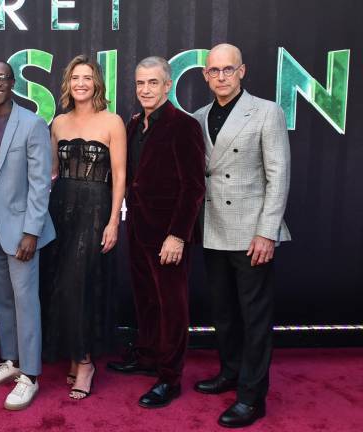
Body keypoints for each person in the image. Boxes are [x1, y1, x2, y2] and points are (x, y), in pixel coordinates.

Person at [192, 43, 291, 428]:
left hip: (251, 232)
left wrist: (267, 232)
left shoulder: (266, 111)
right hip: (213, 228)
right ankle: (230, 372)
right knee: (224, 313)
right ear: (205, 75)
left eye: (228, 69)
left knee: (254, 318)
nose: (221, 77)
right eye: (214, 71)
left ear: (242, 71)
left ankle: (252, 397)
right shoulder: (199, 117)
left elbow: (278, 176)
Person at [107, 56, 205, 409]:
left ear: (167, 85)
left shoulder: (184, 126)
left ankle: (170, 377)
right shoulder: (134, 124)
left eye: (153, 82)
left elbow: (193, 187)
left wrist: (178, 235)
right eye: (140, 83)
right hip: (138, 229)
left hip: (168, 235)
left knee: (171, 306)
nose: (145, 89)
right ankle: (147, 356)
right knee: (146, 299)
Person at [41, 54, 127, 400]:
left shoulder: (112, 121)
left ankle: (87, 361)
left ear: (97, 84)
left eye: (87, 77)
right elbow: (51, 172)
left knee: (83, 284)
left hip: (95, 208)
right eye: (75, 77)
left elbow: (120, 174)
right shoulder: (59, 123)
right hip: (61, 208)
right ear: (68, 83)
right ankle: (74, 355)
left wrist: (113, 221)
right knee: (61, 284)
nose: (81, 83)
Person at [0, 61, 55, 410]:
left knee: (26, 302)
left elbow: (40, 182)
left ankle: (31, 375)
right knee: (2, 299)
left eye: (2, 78)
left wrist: (31, 231)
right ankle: (11, 360)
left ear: (12, 83)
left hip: (22, 230)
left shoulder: (32, 123)